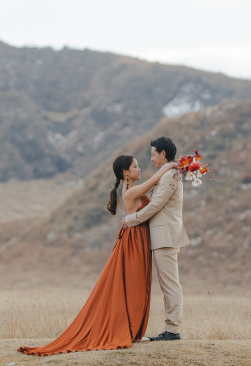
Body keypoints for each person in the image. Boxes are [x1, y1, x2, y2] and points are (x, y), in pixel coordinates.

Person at [18, 155, 178, 355]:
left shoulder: (131, 189)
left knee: (139, 287)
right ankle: (126, 329)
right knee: (134, 286)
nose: (139, 169)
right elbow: (154, 181)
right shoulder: (129, 191)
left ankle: (132, 329)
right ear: (125, 173)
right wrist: (171, 165)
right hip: (135, 242)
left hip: (140, 240)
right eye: (135, 166)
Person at [121, 136, 190, 341]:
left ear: (163, 153)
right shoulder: (168, 173)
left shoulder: (170, 175)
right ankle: (171, 328)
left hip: (165, 236)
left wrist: (131, 220)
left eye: (153, 154)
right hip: (162, 236)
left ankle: (173, 330)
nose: (151, 159)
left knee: (170, 284)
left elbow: (155, 206)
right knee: (168, 283)